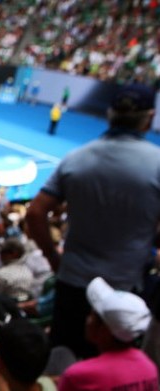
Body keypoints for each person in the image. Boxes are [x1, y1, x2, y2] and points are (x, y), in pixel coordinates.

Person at [25, 83, 160, 359]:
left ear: (110, 114)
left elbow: (35, 213)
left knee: (66, 362)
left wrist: (54, 259)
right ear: (148, 119)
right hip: (127, 290)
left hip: (74, 284)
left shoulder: (76, 158)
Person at [55, 277, 158, 391]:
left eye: (92, 315)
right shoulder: (149, 366)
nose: (87, 320)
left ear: (104, 330)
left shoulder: (78, 374)